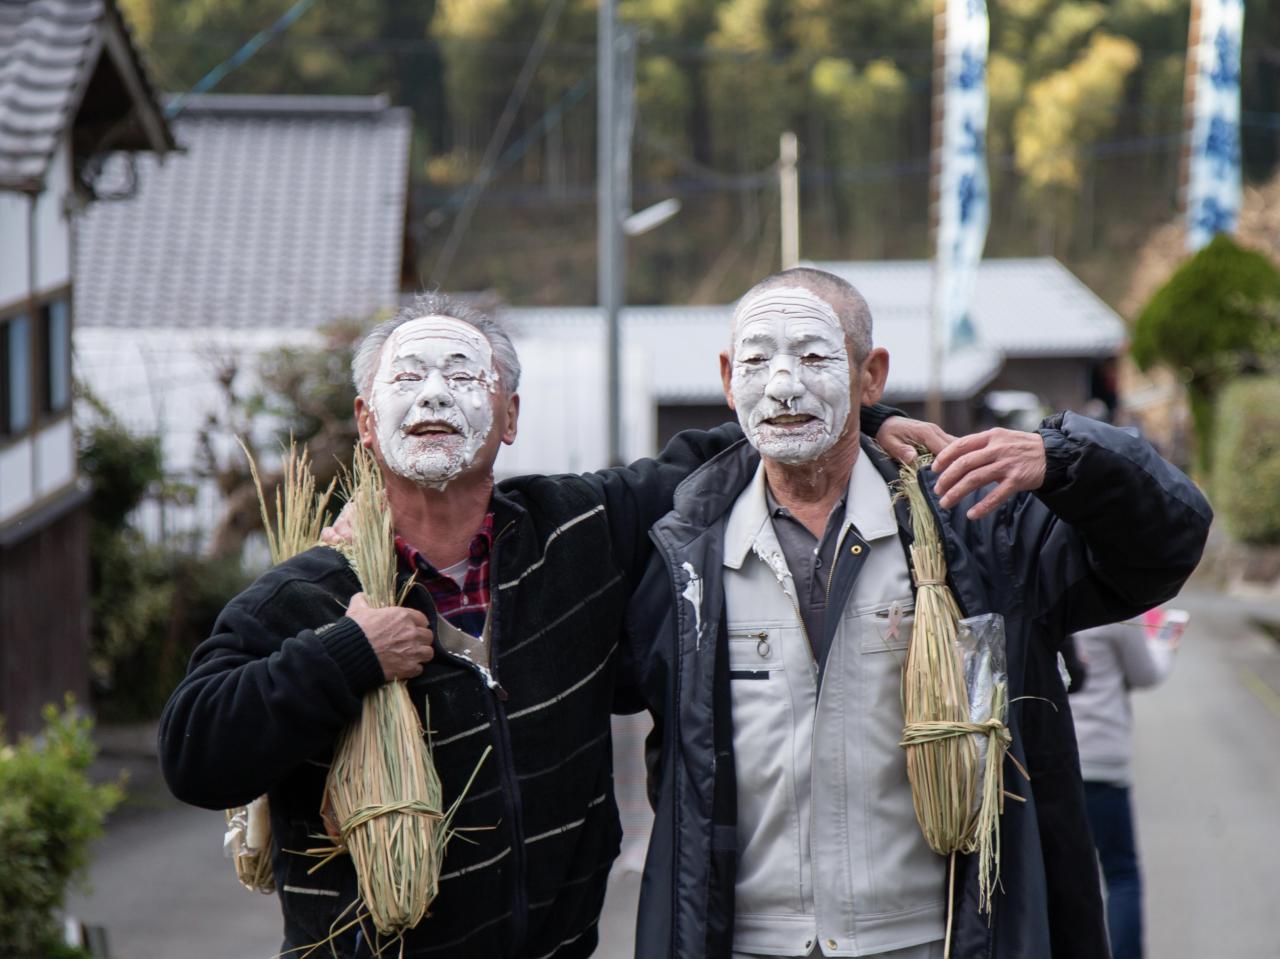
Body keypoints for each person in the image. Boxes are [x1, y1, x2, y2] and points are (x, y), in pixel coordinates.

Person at [157, 293, 942, 959]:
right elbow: (193, 752)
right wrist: (346, 656)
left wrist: (870, 421)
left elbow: (736, 447)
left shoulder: (580, 532)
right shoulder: (310, 595)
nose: (434, 396)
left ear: (511, 416)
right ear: (367, 422)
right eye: (408, 378)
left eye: (464, 376)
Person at [618, 267, 1212, 959]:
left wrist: (1068, 458)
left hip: (933, 939)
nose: (782, 384)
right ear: (726, 378)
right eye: (755, 360)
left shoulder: (976, 528)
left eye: (814, 358)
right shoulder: (679, 551)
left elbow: (1167, 541)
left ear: (870, 376)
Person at [1069, 615, 1181, 959]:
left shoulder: (1046, 585)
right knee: (1120, 874)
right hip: (1104, 757)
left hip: (1059, 754)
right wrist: (1165, 644)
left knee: (1065, 874)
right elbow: (1144, 673)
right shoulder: (1115, 606)